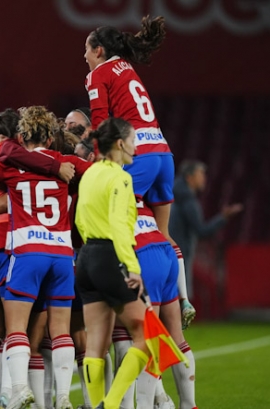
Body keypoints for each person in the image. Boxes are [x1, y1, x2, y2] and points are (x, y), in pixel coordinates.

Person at [0, 106, 91, 409]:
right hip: (61, 255)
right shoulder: (66, 163)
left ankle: (18, 389)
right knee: (60, 330)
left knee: (17, 327)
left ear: (21, 134)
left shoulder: (9, 165)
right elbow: (95, 169)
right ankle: (62, 397)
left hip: (27, 252)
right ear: (50, 134)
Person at [82, 16, 196, 326]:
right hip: (162, 151)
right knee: (163, 233)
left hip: (138, 155)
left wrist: (98, 160)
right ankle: (183, 298)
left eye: (88, 51)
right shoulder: (128, 69)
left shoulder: (98, 75)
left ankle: (134, 296)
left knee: (117, 223)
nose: (85, 57)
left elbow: (100, 120)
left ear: (100, 51)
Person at [75, 117, 151, 409]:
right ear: (120, 143)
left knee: (95, 343)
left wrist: (91, 255)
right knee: (145, 336)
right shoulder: (121, 177)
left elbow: (81, 219)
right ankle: (112, 403)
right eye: (132, 140)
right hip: (109, 258)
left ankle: (95, 406)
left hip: (86, 258)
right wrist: (132, 267)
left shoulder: (91, 173)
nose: (135, 145)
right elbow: (120, 225)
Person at [133, 200, 198, 409]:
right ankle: (189, 404)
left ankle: (158, 400)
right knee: (176, 336)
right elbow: (169, 237)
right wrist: (184, 298)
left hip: (141, 254)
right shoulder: (149, 194)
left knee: (140, 338)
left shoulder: (106, 186)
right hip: (166, 253)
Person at [169, 160, 243, 300]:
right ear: (189, 177)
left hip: (169, 253)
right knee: (182, 299)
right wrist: (223, 218)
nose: (204, 178)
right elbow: (202, 231)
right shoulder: (188, 202)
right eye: (200, 174)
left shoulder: (173, 197)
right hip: (181, 254)